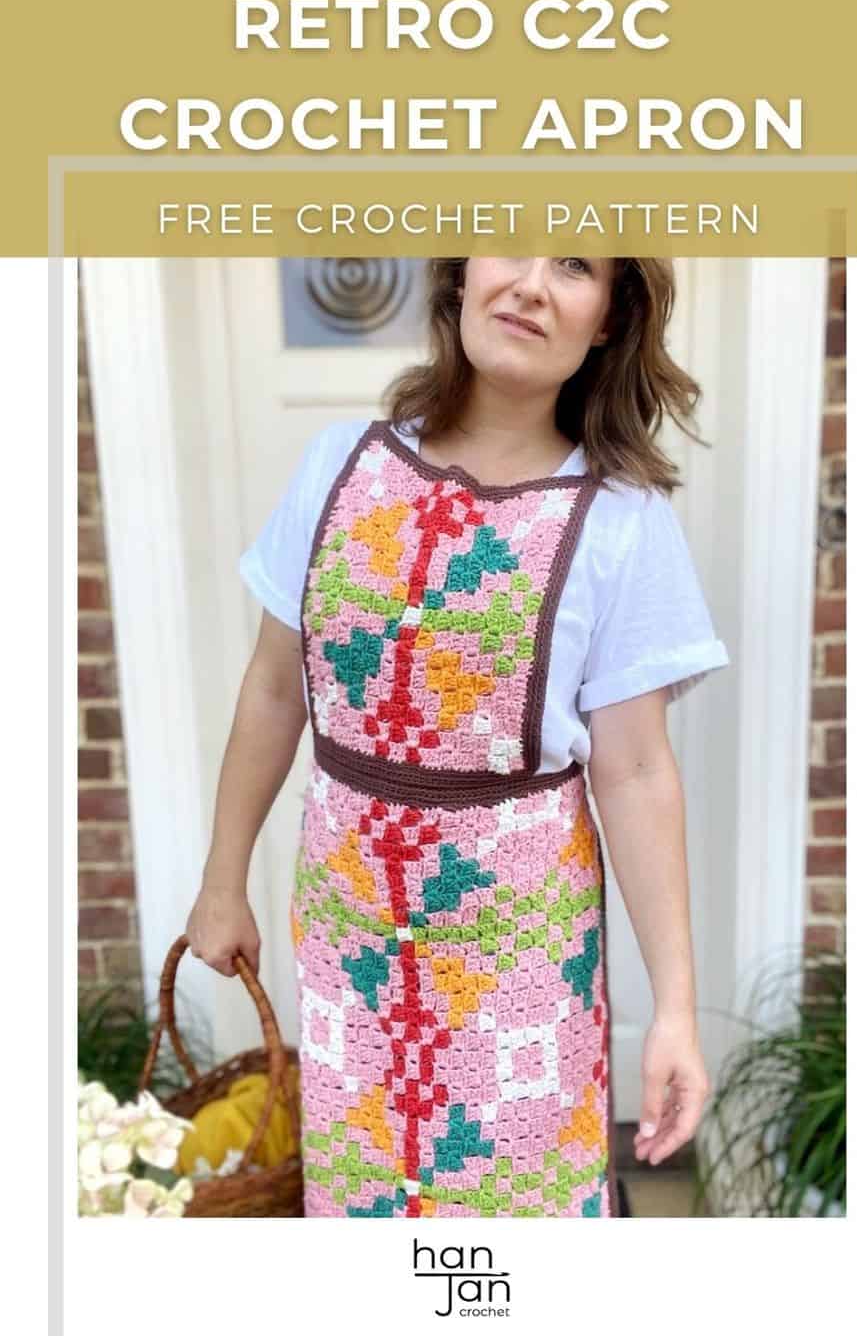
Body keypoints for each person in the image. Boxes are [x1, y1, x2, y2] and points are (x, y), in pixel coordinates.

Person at [185, 256, 729, 1218]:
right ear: (462, 274)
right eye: (509, 242)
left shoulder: (622, 525)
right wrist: (223, 882)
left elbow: (638, 771)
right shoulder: (339, 467)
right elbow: (275, 691)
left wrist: (675, 1012)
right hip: (355, 940)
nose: (529, 284)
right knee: (368, 1214)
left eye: (573, 266)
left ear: (608, 319)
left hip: (517, 960)